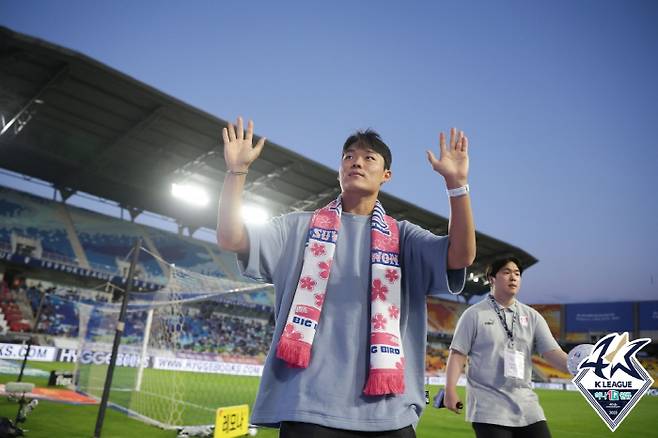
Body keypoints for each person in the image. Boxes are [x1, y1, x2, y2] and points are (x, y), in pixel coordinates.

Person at [217, 117, 476, 437]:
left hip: (388, 413)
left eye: (369, 158)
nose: (357, 162)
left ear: (386, 175)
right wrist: (236, 172)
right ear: (339, 170)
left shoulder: (404, 238)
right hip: (308, 409)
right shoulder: (296, 229)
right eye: (349, 156)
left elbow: (461, 255)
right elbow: (231, 238)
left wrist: (457, 185)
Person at [444, 257, 569, 438]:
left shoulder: (532, 316)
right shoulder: (473, 315)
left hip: (528, 406)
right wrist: (450, 391)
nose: (514, 277)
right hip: (488, 408)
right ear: (491, 279)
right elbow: (457, 354)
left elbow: (553, 352)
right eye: (507, 272)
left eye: (517, 274)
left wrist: (581, 366)